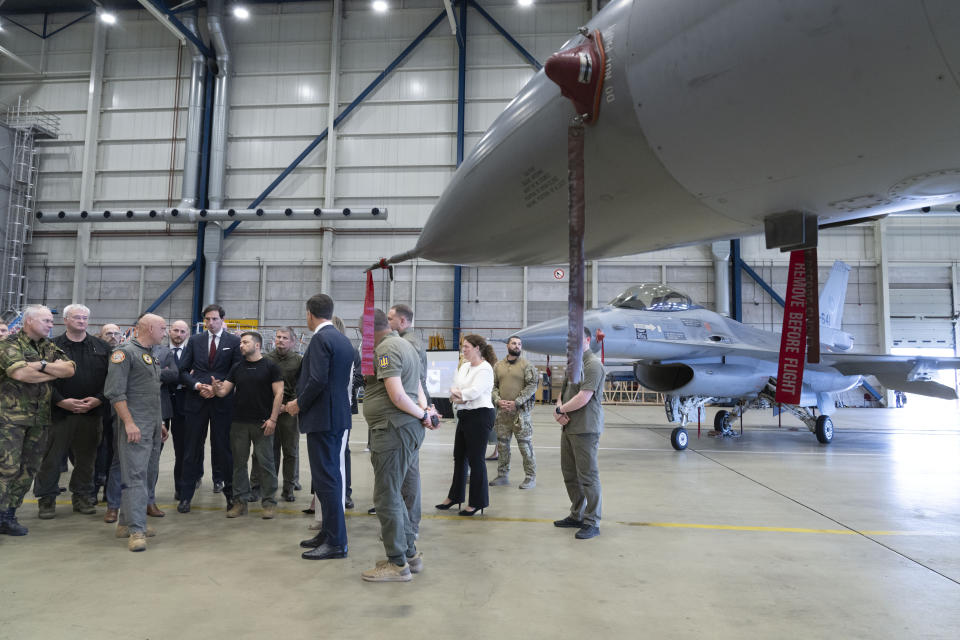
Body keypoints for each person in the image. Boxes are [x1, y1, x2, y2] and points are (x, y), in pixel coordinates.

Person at [361, 309, 439, 582]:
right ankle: (409, 555)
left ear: (369, 330)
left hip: (392, 429)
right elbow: (416, 384)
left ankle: (397, 564)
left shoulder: (386, 349)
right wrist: (424, 411)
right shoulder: (406, 345)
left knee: (386, 496)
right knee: (395, 493)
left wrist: (422, 414)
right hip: (403, 428)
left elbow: (396, 394)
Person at [288, 293, 354, 561]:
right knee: (329, 478)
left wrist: (297, 405)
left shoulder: (320, 339)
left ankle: (337, 542)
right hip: (336, 416)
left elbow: (316, 380)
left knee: (326, 480)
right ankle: (328, 533)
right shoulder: (342, 339)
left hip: (323, 419)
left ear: (309, 314)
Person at [0, 305, 75, 536]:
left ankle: (8, 516)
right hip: (10, 419)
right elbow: (20, 374)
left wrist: (41, 365)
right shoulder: (9, 344)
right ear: (29, 321)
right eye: (46, 321)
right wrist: (52, 372)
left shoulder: (48, 347)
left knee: (28, 470)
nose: (51, 325)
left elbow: (71, 369)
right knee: (7, 468)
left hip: (39, 419)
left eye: (51, 321)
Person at [34, 304, 110, 518]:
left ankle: (82, 496)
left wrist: (98, 399)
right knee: (51, 458)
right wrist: (60, 401)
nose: (81, 321)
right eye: (76, 317)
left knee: (87, 459)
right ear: (65, 320)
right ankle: (46, 499)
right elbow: (41, 380)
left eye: (85, 317)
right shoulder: (49, 347)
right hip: (59, 414)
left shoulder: (102, 347)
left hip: (91, 413)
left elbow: (112, 379)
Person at [103, 314, 168, 552]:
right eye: (162, 328)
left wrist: (159, 423)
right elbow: (115, 393)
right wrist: (129, 423)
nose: (165, 332)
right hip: (135, 425)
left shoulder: (150, 354)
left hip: (151, 424)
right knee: (135, 476)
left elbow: (151, 393)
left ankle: (125, 524)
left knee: (148, 473)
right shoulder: (124, 353)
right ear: (149, 328)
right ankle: (137, 531)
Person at [176, 304, 241, 513]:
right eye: (207, 319)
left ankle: (231, 496)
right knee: (191, 449)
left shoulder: (234, 341)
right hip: (197, 400)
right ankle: (185, 496)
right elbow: (182, 371)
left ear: (223, 319)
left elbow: (237, 371)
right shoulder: (195, 341)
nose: (210, 323)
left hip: (223, 402)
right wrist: (196, 385)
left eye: (214, 319)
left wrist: (219, 388)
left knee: (223, 449)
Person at [212, 331, 283, 519]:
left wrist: (273, 419)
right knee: (239, 464)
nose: (241, 345)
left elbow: (279, 394)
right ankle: (240, 502)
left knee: (266, 464)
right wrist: (216, 388)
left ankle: (269, 503)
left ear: (257, 345)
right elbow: (223, 392)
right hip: (239, 424)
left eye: (245, 342)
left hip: (263, 424)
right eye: (241, 342)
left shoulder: (270, 367)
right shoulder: (237, 367)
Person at [552, 327, 605, 540]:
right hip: (569, 426)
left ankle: (593, 521)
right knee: (570, 473)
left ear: (587, 340)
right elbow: (562, 393)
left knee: (588, 476)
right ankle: (577, 515)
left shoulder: (593, 365)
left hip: (585, 428)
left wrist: (560, 410)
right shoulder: (573, 365)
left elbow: (584, 397)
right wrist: (559, 409)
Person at [436, 334, 496, 516]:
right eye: (463, 346)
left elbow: (474, 392)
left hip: (480, 415)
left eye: (467, 346)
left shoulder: (485, 369)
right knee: (459, 456)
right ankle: (455, 496)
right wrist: (459, 395)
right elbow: (454, 388)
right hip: (464, 415)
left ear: (478, 348)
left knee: (476, 460)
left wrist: (460, 395)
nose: (464, 349)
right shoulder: (464, 367)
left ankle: (478, 502)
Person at [384, 304, 425, 532]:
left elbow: (414, 382)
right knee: (406, 471)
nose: (387, 322)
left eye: (390, 319)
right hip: (411, 410)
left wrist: (422, 411)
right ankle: (405, 522)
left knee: (407, 472)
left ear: (403, 321)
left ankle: (408, 526)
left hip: (408, 413)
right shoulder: (407, 341)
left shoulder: (406, 344)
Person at [489, 335, 539, 489]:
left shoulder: (526, 365)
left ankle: (530, 477)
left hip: (520, 414)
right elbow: (492, 386)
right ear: (507, 346)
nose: (517, 346)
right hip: (503, 413)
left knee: (525, 446)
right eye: (514, 343)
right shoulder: (498, 366)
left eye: (519, 344)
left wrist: (517, 402)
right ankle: (502, 475)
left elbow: (532, 385)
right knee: (503, 445)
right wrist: (498, 400)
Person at [264, 326, 302, 502]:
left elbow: (300, 387)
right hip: (270, 411)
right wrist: (272, 407)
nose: (280, 340)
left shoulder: (298, 361)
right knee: (270, 452)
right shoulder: (267, 360)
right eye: (278, 337)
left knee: (290, 451)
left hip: (289, 412)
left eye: (285, 338)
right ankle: (269, 488)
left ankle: (289, 487)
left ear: (293, 341)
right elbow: (262, 386)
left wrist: (286, 406)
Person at [165, 320, 195, 501]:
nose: (178, 334)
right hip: (162, 403)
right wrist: (182, 378)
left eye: (182, 331)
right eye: (175, 330)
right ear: (169, 331)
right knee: (154, 450)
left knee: (182, 450)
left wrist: (170, 375)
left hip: (185, 406)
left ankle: (181, 489)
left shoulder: (192, 353)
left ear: (187, 334)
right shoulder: (158, 351)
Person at [97, 323, 123, 522]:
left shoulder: (125, 354)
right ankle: (92, 489)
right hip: (96, 408)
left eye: (116, 333)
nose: (113, 336)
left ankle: (109, 494)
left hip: (117, 410)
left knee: (114, 453)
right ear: (100, 335)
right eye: (108, 333)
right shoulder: (95, 352)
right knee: (96, 450)